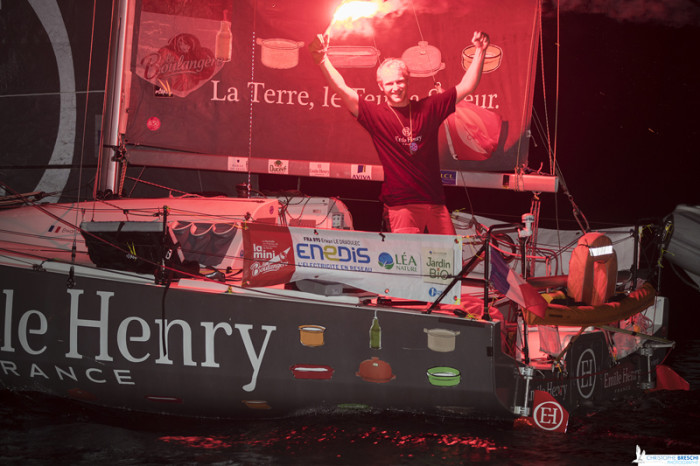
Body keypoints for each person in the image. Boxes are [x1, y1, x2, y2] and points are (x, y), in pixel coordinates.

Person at [309, 31, 490, 234]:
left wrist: (480, 51)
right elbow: (342, 89)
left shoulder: (429, 108)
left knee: (449, 261)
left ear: (407, 81)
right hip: (400, 206)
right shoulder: (376, 115)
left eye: (399, 81)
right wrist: (323, 59)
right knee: (407, 264)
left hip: (435, 203)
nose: (395, 87)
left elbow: (467, 86)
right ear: (381, 86)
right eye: (389, 83)